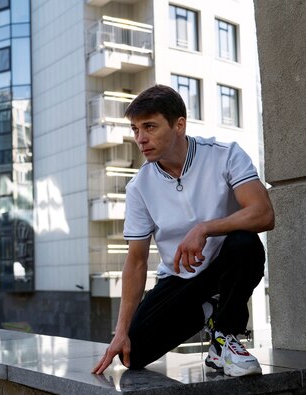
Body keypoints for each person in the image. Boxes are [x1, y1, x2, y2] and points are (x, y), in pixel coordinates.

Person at [91, 85, 275, 377]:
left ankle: (224, 338)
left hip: (226, 265)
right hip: (181, 278)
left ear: (179, 125)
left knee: (246, 243)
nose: (140, 139)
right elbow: (136, 261)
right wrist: (120, 331)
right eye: (136, 129)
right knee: (132, 354)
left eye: (149, 127)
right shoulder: (139, 187)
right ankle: (208, 311)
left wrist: (205, 229)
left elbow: (263, 213)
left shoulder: (225, 155)